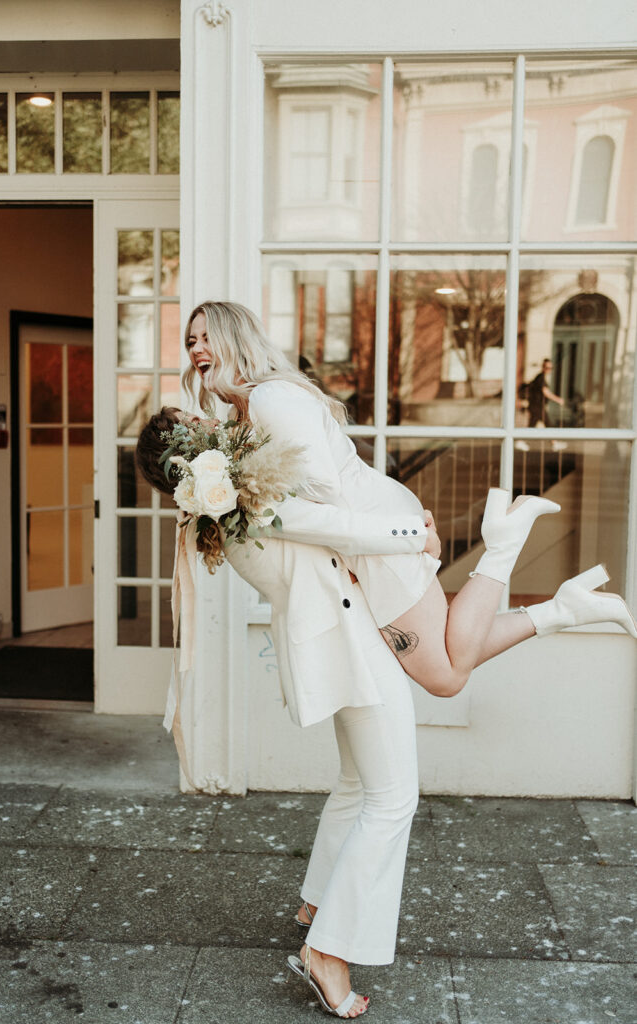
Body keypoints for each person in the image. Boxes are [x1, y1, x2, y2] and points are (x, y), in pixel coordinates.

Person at [136, 301, 636, 1019]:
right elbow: (302, 515)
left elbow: (324, 502)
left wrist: (401, 536)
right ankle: (326, 944)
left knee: (432, 687)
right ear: (187, 468)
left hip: (357, 589)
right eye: (186, 346)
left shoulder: (262, 419)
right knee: (389, 777)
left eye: (199, 339)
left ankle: (519, 560)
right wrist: (400, 536)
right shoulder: (235, 473)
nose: (192, 355)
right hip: (349, 613)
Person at [527, 358, 566, 427]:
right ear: (543, 367)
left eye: (551, 368)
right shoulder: (540, 378)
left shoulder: (541, 377)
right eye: (547, 368)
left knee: (532, 425)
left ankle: (523, 437)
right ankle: (552, 437)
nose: (549, 370)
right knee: (548, 425)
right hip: (537, 407)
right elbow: (546, 392)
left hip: (537, 406)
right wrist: (558, 400)